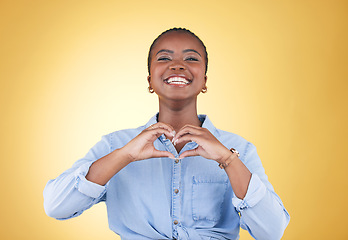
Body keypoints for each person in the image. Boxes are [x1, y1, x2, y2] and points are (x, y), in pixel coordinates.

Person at [43, 28, 290, 240]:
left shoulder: (238, 149)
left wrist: (228, 160)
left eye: (191, 58)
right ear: (150, 80)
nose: (177, 65)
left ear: (204, 80)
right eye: (164, 58)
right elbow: (56, 206)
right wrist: (125, 155)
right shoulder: (115, 145)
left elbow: (272, 231)